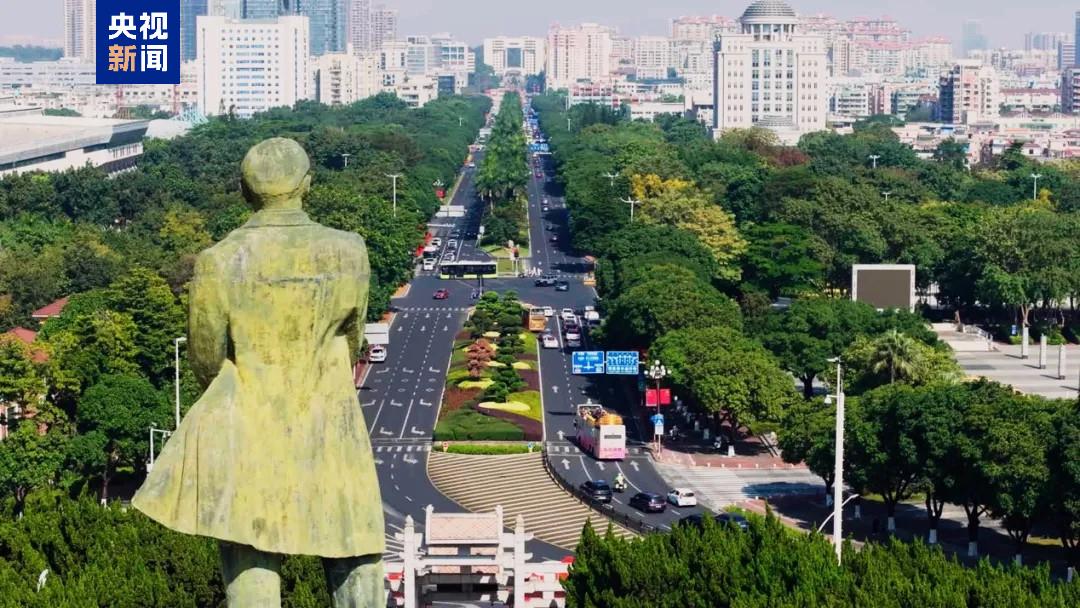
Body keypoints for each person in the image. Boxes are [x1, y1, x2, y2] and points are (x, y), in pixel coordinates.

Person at [133, 138, 383, 607]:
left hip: (247, 420)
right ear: (307, 185)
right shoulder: (349, 250)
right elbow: (353, 340)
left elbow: (207, 360)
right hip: (329, 416)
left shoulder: (219, 261)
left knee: (250, 544)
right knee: (353, 542)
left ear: (245, 191)